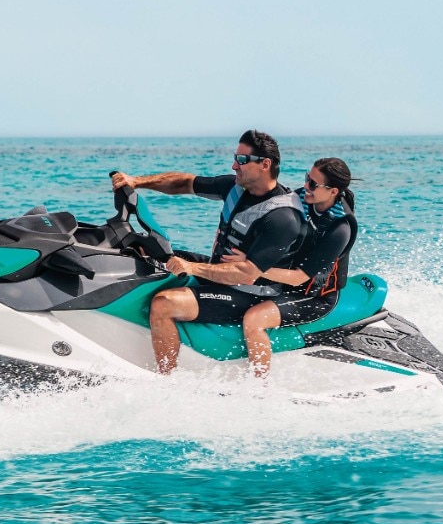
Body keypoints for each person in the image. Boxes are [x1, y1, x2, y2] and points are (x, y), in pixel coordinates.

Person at [109, 129, 305, 374]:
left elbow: (246, 274)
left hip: (249, 293)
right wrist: (136, 181)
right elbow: (184, 183)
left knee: (164, 304)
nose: (235, 165)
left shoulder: (282, 217)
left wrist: (191, 267)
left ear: (265, 165)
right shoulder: (235, 188)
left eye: (242, 160)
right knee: (146, 253)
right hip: (219, 272)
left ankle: (166, 380)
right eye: (236, 158)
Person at [223, 158, 358, 378]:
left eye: (313, 184)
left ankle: (259, 386)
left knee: (254, 319)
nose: (306, 186)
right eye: (307, 178)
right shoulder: (301, 199)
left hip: (314, 296)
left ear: (333, 191)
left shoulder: (339, 229)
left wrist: (252, 266)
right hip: (282, 283)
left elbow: (299, 278)